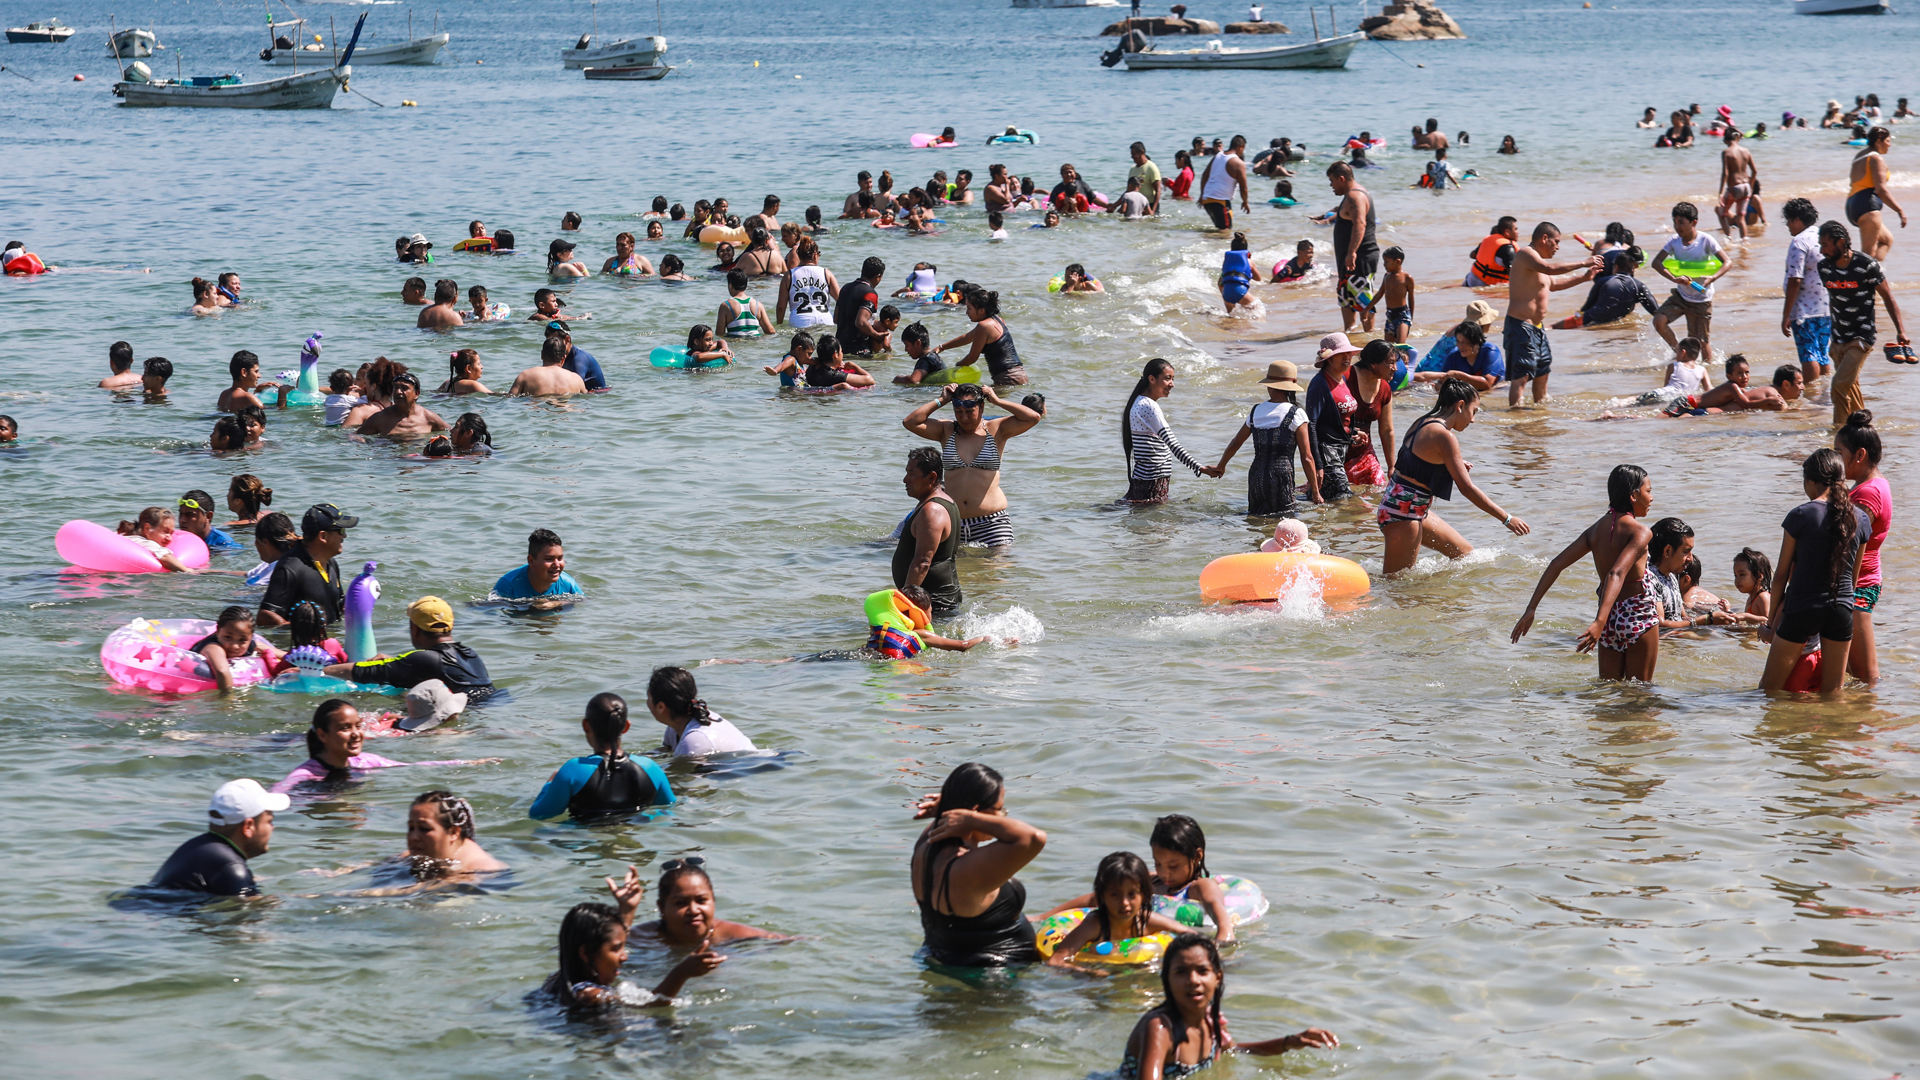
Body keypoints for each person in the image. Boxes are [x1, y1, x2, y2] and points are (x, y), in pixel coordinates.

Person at [1117, 934, 1338, 1078]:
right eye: (1181, 972)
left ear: (1218, 978)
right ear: (1167, 980)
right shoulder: (1160, 1028)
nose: (1193, 980)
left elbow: (1237, 1050)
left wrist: (1290, 1042)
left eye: (1202, 971)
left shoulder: (1210, 1021)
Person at [1513, 464, 1657, 680]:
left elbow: (1556, 564)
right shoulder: (1641, 532)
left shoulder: (1596, 529)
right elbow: (1616, 573)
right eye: (1649, 491)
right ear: (1634, 495)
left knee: (1607, 691)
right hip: (1637, 614)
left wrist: (1531, 608)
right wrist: (1598, 622)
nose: (1652, 498)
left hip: (1609, 618)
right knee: (1641, 695)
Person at [1377, 377, 1528, 575]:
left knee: (1466, 555)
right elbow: (1467, 489)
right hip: (1403, 514)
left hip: (1408, 508)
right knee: (1397, 587)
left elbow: (1415, 461)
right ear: (1460, 405)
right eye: (1473, 412)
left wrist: (1448, 465)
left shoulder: (1422, 422)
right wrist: (1507, 518)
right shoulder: (1444, 436)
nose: (1473, 420)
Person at [909, 763, 1047, 967]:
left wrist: (950, 809)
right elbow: (1034, 837)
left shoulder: (925, 845)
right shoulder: (965, 870)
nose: (1003, 816)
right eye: (1000, 810)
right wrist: (973, 820)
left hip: (941, 958)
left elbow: (946, 821)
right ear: (974, 812)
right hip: (995, 979)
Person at [1760, 448, 1871, 693]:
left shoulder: (1800, 514)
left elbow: (1780, 576)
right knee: (1833, 694)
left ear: (1810, 480)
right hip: (1841, 608)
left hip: (1802, 608)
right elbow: (1853, 577)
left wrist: (1770, 626)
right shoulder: (1860, 518)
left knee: (1768, 691)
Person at [542, 868, 724, 1009]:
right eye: (616, 950)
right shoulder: (590, 995)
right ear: (585, 954)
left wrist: (627, 911)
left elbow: (610, 938)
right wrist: (681, 973)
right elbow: (652, 1005)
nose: (624, 956)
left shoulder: (561, 979)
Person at [902, 383, 1043, 550]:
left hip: (992, 524)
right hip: (955, 523)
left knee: (996, 573)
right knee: (961, 573)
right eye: (959, 412)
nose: (964, 418)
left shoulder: (997, 429)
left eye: (969, 412)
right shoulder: (946, 430)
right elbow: (910, 422)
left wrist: (997, 400)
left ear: (981, 407)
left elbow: (1033, 417)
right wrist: (941, 400)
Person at [272, 699, 481, 793]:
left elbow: (414, 765)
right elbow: (277, 796)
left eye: (358, 726)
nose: (356, 734)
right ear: (322, 735)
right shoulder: (305, 777)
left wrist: (466, 762)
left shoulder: (365, 761)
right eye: (345, 728)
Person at [529, 693, 676, 819]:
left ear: (586, 726)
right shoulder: (650, 768)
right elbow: (669, 808)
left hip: (585, 843)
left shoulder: (573, 770)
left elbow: (539, 815)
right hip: (633, 841)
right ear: (626, 727)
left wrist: (549, 784)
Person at [1818, 219, 1908, 424]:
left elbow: (1888, 296)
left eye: (1825, 245)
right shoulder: (1824, 268)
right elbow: (1834, 300)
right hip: (1838, 339)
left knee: (1839, 385)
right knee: (1851, 387)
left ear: (1840, 243)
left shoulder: (1866, 265)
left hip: (1862, 337)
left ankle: (1839, 432)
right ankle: (1864, 429)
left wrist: (1900, 331)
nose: (1822, 250)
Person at [1505, 221, 1601, 406]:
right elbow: (1549, 269)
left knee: (1542, 372)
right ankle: (1517, 418)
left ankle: (1540, 415)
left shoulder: (1538, 266)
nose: (1557, 247)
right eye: (1556, 242)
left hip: (1537, 328)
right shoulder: (1526, 254)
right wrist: (1583, 262)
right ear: (1544, 238)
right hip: (1520, 326)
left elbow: (1555, 284)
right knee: (1522, 376)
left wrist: (1584, 277)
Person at [1043, 852, 1189, 969]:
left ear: (1143, 895)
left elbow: (1191, 935)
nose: (1124, 903)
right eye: (1114, 894)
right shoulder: (1094, 925)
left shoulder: (1147, 920)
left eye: (1132, 894)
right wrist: (1087, 972)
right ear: (1102, 896)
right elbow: (1056, 961)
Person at [1212, 360, 1321, 518]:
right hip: (1282, 476)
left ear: (1269, 386)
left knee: (1256, 519)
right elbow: (1307, 457)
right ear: (1291, 386)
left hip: (1257, 475)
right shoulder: (1296, 413)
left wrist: (1221, 466)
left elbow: (1236, 442)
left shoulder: (1257, 410)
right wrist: (1316, 492)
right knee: (1286, 521)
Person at [323, 596, 494, 697]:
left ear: (414, 630)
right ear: (451, 626)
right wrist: (394, 662)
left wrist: (318, 671)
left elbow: (361, 671)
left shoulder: (423, 659)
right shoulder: (470, 654)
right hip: (491, 706)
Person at [147, 778, 288, 897]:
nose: (272, 828)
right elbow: (253, 911)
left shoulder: (198, 847)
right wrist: (305, 900)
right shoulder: (229, 867)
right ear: (248, 827)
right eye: (269, 821)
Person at [1835, 411, 1887, 683]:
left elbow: (1848, 542)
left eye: (1838, 451)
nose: (1835, 458)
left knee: (1866, 678)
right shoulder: (1873, 485)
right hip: (1861, 582)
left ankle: (1869, 720)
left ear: (1859, 455)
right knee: (1850, 673)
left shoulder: (1867, 493)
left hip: (1858, 586)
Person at [1124, 358, 1220, 504]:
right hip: (1152, 481)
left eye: (1173, 379)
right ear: (1152, 379)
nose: (1172, 384)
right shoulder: (1149, 406)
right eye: (1167, 379)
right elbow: (1173, 444)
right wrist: (1200, 468)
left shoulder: (1139, 402)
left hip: (1145, 479)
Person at [633, 859, 785, 948]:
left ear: (713, 902)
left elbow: (790, 941)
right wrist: (627, 912)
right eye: (681, 903)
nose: (693, 910)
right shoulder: (641, 937)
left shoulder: (736, 935)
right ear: (661, 908)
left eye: (701, 901)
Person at [1650, 202, 1729, 363]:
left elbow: (1727, 262)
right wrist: (1673, 278)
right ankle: (1678, 351)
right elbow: (1656, 263)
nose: (1677, 226)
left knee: (1701, 342)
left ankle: (1707, 372)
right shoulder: (1674, 241)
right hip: (1681, 295)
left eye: (1681, 222)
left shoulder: (1706, 240)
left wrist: (1712, 278)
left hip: (1701, 299)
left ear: (1694, 222)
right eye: (1675, 222)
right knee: (1659, 321)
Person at [258, 503, 354, 626]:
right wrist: (304, 632)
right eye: (341, 530)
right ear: (323, 536)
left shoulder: (330, 562)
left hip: (328, 640)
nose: (344, 536)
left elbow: (338, 603)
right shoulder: (290, 568)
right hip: (303, 644)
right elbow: (264, 616)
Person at [894, 446, 963, 613]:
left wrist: (905, 605)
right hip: (934, 600)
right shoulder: (940, 501)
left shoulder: (932, 510)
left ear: (931, 477)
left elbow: (922, 562)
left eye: (912, 474)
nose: (905, 480)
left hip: (934, 603)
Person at [648, 665, 757, 756]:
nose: (647, 702)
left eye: (648, 697)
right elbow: (666, 752)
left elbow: (688, 779)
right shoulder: (675, 727)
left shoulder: (694, 740)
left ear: (661, 707)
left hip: (754, 769)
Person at [1780, 198, 1833, 383]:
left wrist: (1786, 314)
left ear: (1796, 219)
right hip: (1826, 308)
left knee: (1809, 354)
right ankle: (1825, 392)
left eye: (1788, 220)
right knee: (1823, 354)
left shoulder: (1799, 242)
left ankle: (1812, 393)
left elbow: (1795, 280)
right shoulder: (1823, 238)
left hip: (1804, 310)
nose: (1787, 225)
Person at [1304, 334, 1361, 502]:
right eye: (1341, 354)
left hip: (1340, 449)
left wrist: (1353, 433)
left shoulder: (1342, 379)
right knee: (1345, 499)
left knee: (1329, 499)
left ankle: (1318, 526)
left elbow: (1337, 419)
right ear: (1328, 359)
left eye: (1349, 353)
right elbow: (1311, 425)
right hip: (1326, 451)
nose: (1347, 357)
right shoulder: (1320, 384)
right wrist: (1318, 465)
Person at [929, 286, 1027, 385]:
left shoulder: (983, 326)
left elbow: (972, 357)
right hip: (1019, 374)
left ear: (981, 311)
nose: (967, 312)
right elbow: (967, 338)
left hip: (1008, 378)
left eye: (969, 308)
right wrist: (942, 347)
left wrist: (957, 367)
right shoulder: (997, 320)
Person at [1326, 161, 1379, 332]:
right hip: (1351, 258)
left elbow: (1360, 224)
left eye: (1332, 181)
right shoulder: (1351, 195)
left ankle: (1369, 337)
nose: (1331, 186)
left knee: (1363, 298)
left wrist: (1352, 252)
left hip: (1360, 256)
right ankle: (1350, 333)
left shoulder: (1355, 196)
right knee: (1346, 296)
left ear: (1341, 179)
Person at [1555, 245, 1658, 330]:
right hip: (1618, 323)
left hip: (1592, 320)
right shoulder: (1639, 285)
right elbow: (1656, 311)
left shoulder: (1602, 281)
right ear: (1633, 270)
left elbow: (1586, 307)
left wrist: (1576, 316)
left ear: (1616, 267)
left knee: (1553, 327)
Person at [1344, 339, 1398, 486]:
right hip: (1337, 453)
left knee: (1377, 493)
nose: (1395, 368)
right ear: (1374, 363)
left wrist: (1391, 466)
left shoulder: (1385, 388)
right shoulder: (1346, 378)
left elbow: (1387, 430)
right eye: (1391, 363)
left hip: (1364, 454)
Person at [1847, 126, 1905, 261]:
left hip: (1853, 204)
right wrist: (1899, 210)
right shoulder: (1876, 159)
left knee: (1886, 240)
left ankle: (1875, 276)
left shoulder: (1860, 155)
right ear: (1878, 141)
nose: (1890, 145)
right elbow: (1881, 190)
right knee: (1867, 255)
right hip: (1868, 207)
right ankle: (1861, 279)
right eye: (1888, 141)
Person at [186, 605, 272, 692]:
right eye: (228, 637)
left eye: (242, 640)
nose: (235, 646)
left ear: (251, 637)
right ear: (218, 631)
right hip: (190, 685)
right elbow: (222, 671)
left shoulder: (253, 645)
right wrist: (228, 702)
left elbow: (283, 655)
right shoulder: (213, 647)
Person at [494, 527, 584, 600]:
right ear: (531, 561)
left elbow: (584, 603)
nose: (557, 565)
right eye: (549, 559)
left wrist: (557, 603)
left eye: (560, 558)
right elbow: (489, 610)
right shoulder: (508, 584)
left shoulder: (567, 583)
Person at [1416, 318, 1504, 393]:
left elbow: (1487, 384)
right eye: (1458, 341)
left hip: (1497, 390)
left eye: (1465, 342)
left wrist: (1459, 375)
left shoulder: (1490, 351)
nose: (1460, 346)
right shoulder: (1454, 356)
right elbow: (1441, 383)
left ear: (1476, 341)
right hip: (1470, 392)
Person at [357, 372, 449, 439]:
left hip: (418, 460)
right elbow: (355, 436)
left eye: (404, 388)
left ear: (416, 394)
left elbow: (450, 432)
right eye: (396, 388)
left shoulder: (427, 417)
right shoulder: (380, 418)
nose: (398, 392)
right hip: (390, 459)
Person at [777, 237, 837, 328]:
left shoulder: (789, 275)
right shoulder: (826, 273)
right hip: (825, 319)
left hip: (800, 321)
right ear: (815, 256)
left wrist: (779, 325)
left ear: (798, 255)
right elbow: (841, 299)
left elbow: (781, 306)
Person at [834, 256, 887, 355]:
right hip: (859, 350)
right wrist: (877, 335)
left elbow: (836, 319)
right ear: (878, 276)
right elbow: (861, 323)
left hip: (840, 348)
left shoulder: (845, 288)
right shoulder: (871, 294)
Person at [1196, 135, 1251, 231]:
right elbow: (1244, 187)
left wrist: (1202, 195)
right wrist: (1245, 202)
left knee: (1220, 230)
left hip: (1207, 199)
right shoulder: (1238, 163)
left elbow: (1204, 175)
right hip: (1220, 201)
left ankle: (1211, 245)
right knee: (1225, 232)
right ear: (1240, 147)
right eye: (1243, 149)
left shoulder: (1218, 156)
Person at [508, 336, 589, 396]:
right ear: (564, 358)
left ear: (542, 355)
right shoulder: (576, 379)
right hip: (565, 416)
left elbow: (510, 399)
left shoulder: (526, 376)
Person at [1717, 130, 1759, 238]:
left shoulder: (1726, 152)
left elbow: (1725, 174)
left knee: (1721, 213)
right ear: (1737, 138)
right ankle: (1744, 241)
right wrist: (1751, 185)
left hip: (1734, 188)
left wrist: (1720, 193)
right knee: (1740, 218)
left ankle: (1729, 239)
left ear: (1726, 140)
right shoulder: (1746, 151)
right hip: (1746, 187)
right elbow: (1754, 171)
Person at [1372, 246, 1415, 343]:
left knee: (1400, 344)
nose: (1384, 265)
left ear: (1398, 262)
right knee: (1389, 346)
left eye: (1386, 262)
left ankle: (1405, 358)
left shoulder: (1407, 278)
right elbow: (1379, 294)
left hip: (1402, 315)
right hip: (1390, 314)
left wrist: (1411, 318)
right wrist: (1366, 309)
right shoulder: (1387, 277)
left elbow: (1411, 298)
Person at [716, 269, 774, 339]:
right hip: (755, 341)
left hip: (736, 343)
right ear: (746, 285)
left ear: (730, 285)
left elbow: (719, 334)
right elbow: (770, 331)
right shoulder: (758, 304)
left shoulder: (726, 306)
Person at [1465, 217, 1519, 288]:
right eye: (1515, 229)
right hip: (1486, 283)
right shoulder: (1508, 248)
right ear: (1507, 232)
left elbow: (1472, 255)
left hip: (1471, 278)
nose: (1518, 232)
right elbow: (1512, 274)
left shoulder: (1487, 240)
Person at [1218, 232, 1260, 314]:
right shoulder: (1249, 261)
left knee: (1231, 315)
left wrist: (1225, 294)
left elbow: (1220, 283)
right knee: (1257, 309)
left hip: (1226, 293)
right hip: (1240, 291)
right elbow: (1258, 278)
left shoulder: (1227, 263)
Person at [1128, 141, 1163, 214]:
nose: (1132, 157)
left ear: (1141, 152)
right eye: (1131, 154)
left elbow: (1158, 191)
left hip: (1150, 205)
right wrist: (1115, 205)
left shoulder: (1151, 167)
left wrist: (1153, 210)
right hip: (1136, 206)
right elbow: (1128, 191)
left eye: (1134, 154)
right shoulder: (1132, 169)